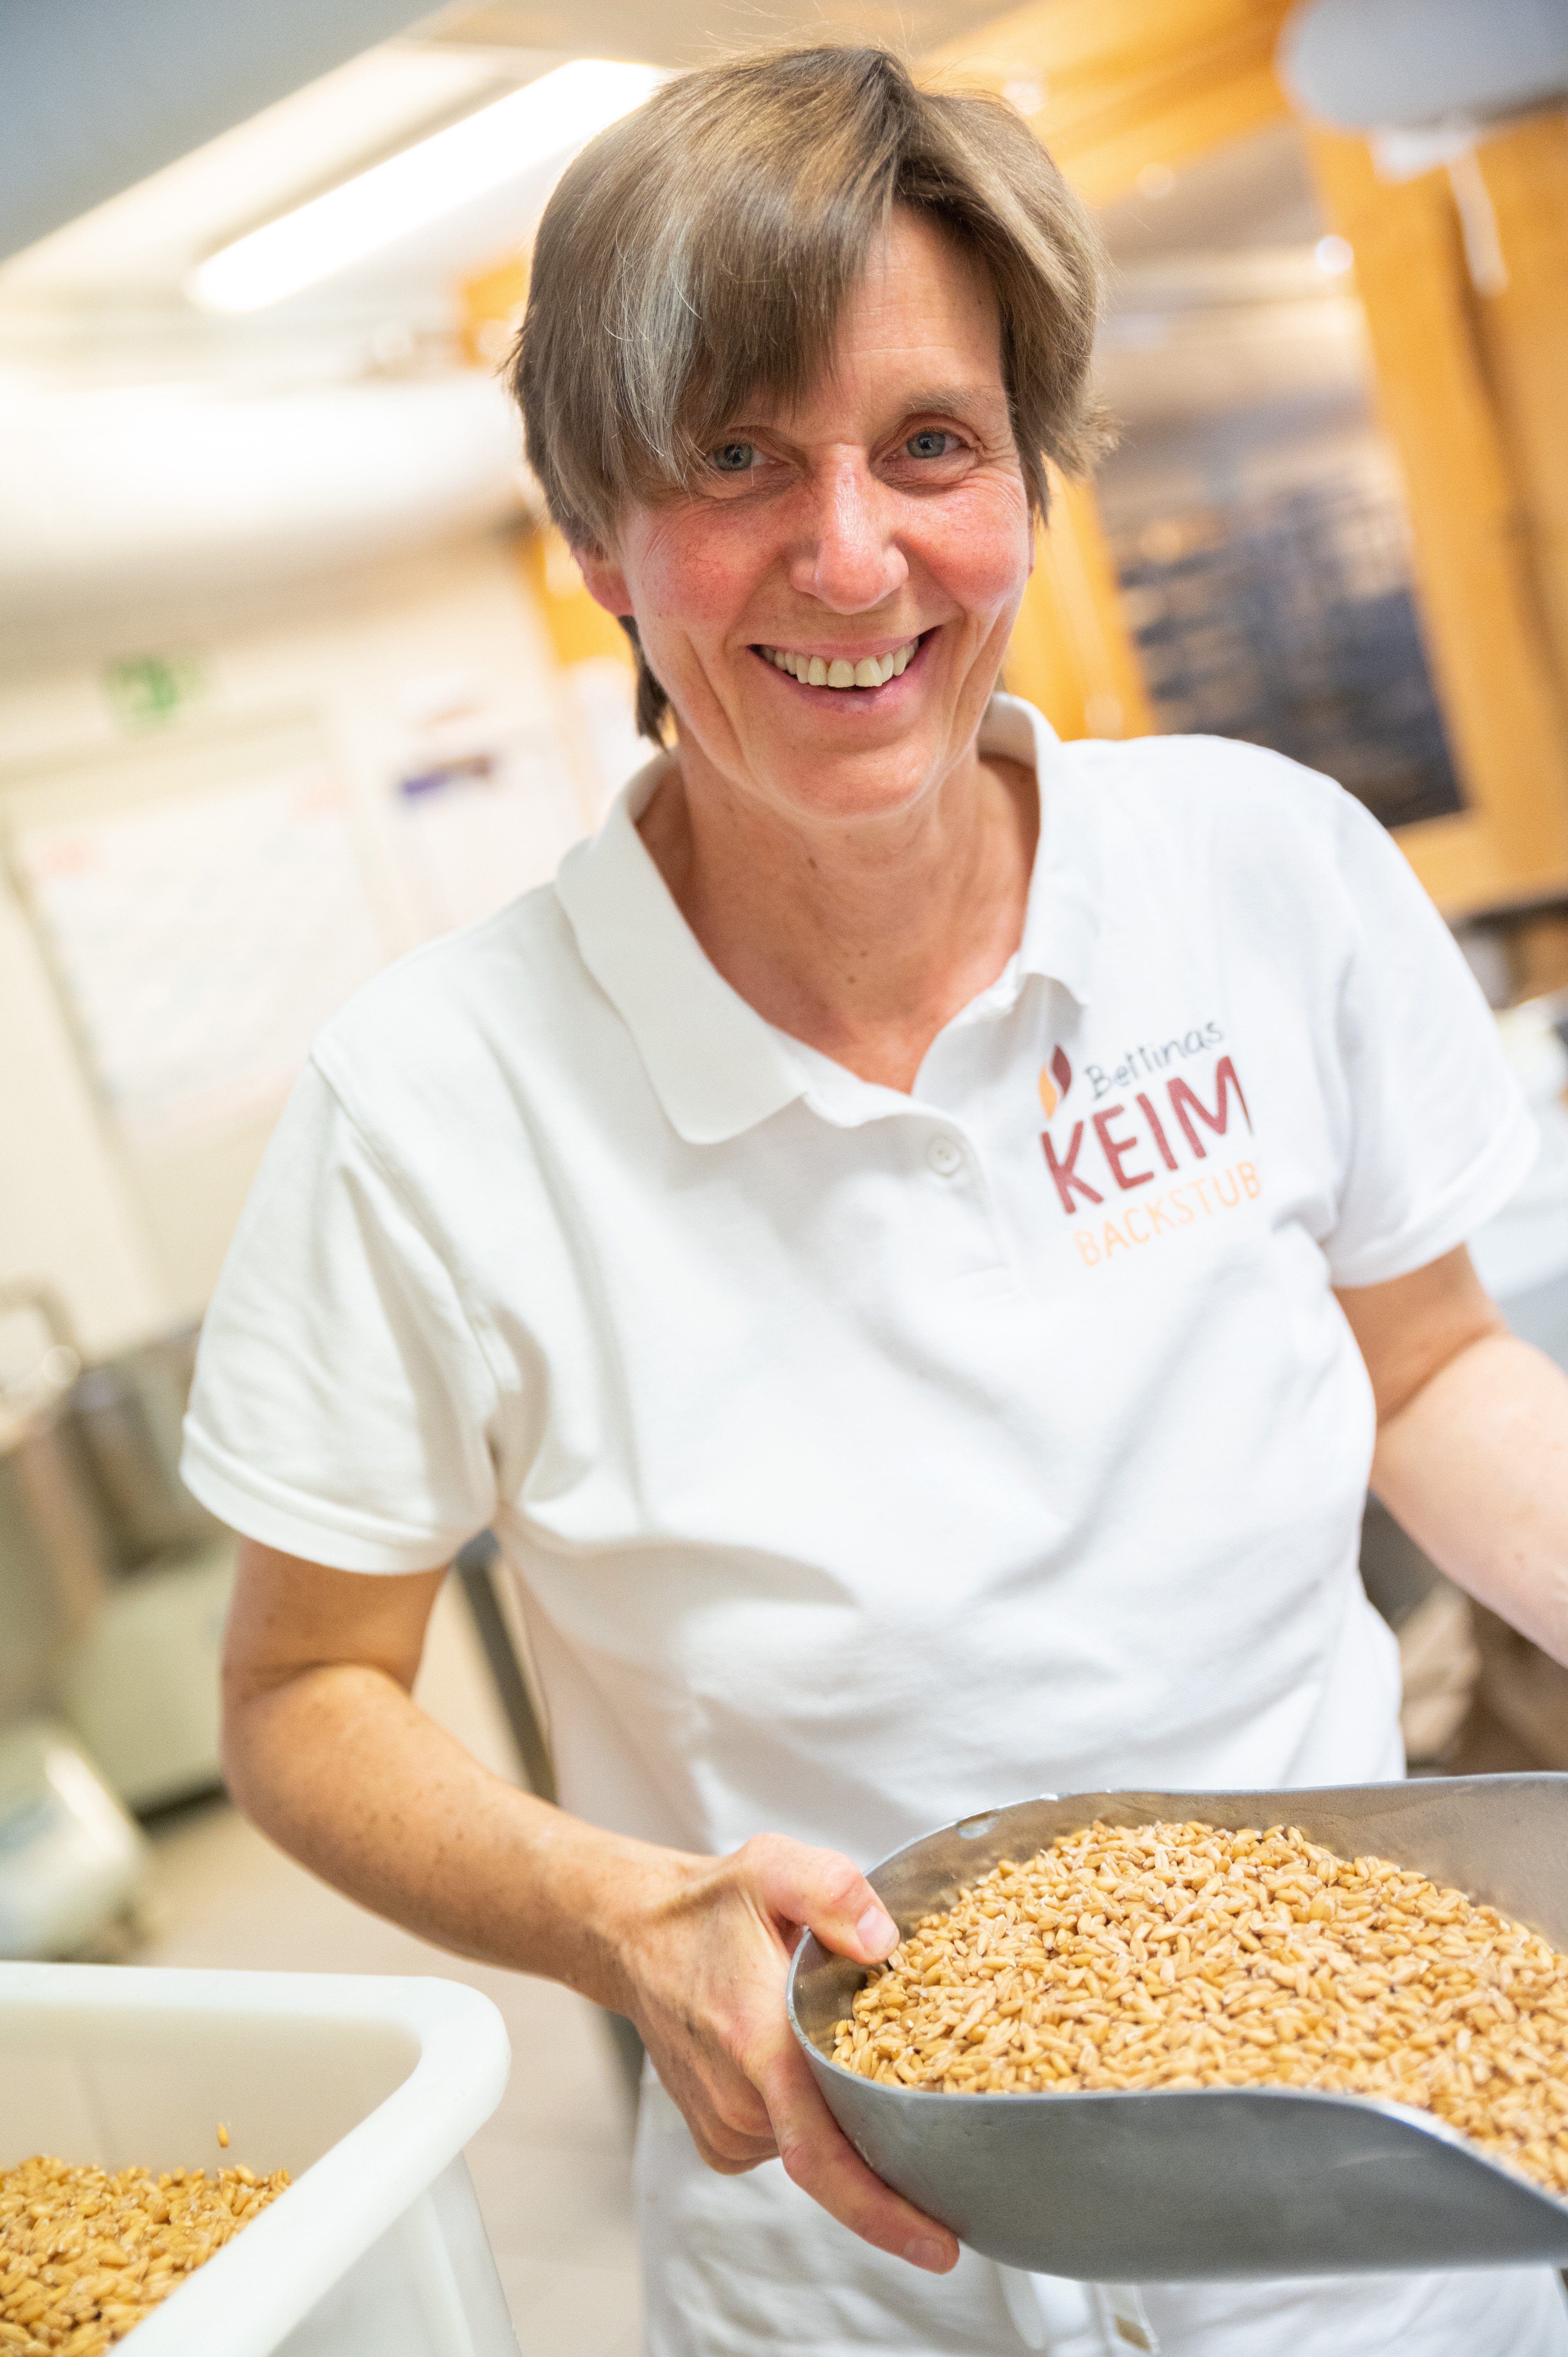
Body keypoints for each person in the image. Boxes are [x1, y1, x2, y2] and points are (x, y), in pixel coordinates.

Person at [182, 45, 1568, 2357]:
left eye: (929, 445)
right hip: (851, 2238)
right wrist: (617, 1917)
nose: (852, 559)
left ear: (1027, 474)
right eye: (734, 461)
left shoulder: (1260, 870)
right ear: (595, 534)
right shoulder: (435, 1107)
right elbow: (309, 1690)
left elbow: (1421, 1360)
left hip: (1378, 2165)